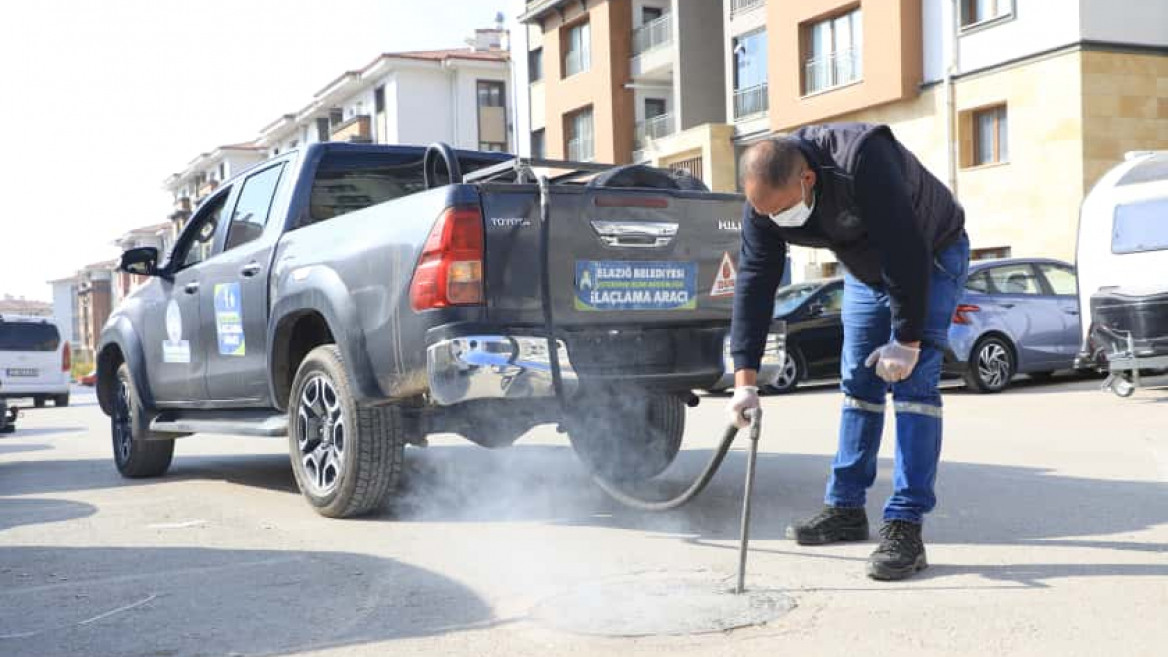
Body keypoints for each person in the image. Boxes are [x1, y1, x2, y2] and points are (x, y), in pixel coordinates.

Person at [727, 123, 970, 581]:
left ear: (807, 180)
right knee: (858, 383)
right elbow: (755, 282)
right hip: (863, 268)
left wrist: (907, 341)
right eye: (765, 213)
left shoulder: (863, 159)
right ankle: (846, 508)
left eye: (782, 210)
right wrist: (745, 381)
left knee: (913, 386)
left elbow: (904, 247)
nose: (776, 220)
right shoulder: (764, 202)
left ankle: (905, 523)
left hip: (931, 254)